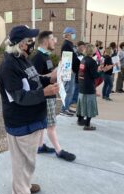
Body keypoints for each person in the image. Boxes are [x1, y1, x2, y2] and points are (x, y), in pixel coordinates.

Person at [0, 25, 59, 194]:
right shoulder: (9, 66)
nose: (33, 42)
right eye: (30, 40)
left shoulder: (23, 60)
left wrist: (50, 78)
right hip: (21, 120)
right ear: (22, 44)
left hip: (31, 118)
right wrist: (45, 92)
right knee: (22, 161)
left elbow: (34, 79)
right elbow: (19, 96)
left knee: (28, 159)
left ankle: (25, 184)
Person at [31, 30, 76, 162]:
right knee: (51, 125)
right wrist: (54, 74)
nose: (55, 41)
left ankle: (40, 146)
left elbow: (47, 73)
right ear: (45, 41)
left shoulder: (46, 56)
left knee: (42, 124)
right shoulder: (38, 57)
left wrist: (59, 69)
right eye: (52, 39)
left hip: (49, 94)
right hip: (46, 95)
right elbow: (35, 79)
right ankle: (59, 150)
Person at [77, 44, 102, 130]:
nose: (96, 50)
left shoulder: (83, 60)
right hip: (89, 86)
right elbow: (95, 75)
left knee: (81, 104)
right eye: (95, 49)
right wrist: (101, 71)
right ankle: (87, 125)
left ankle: (80, 120)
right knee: (90, 106)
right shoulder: (92, 61)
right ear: (92, 50)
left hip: (82, 84)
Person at [60, 27, 80, 117]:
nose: (74, 36)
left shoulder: (69, 44)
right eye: (73, 34)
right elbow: (66, 59)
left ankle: (66, 108)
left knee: (70, 91)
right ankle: (63, 109)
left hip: (71, 70)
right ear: (68, 35)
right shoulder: (66, 45)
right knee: (68, 90)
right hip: (69, 71)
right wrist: (70, 70)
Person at [71, 41, 86, 108]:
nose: (83, 48)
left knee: (78, 88)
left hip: (79, 73)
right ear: (79, 46)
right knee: (76, 88)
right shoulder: (75, 54)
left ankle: (76, 101)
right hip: (75, 73)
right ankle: (73, 102)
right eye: (83, 46)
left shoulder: (81, 55)